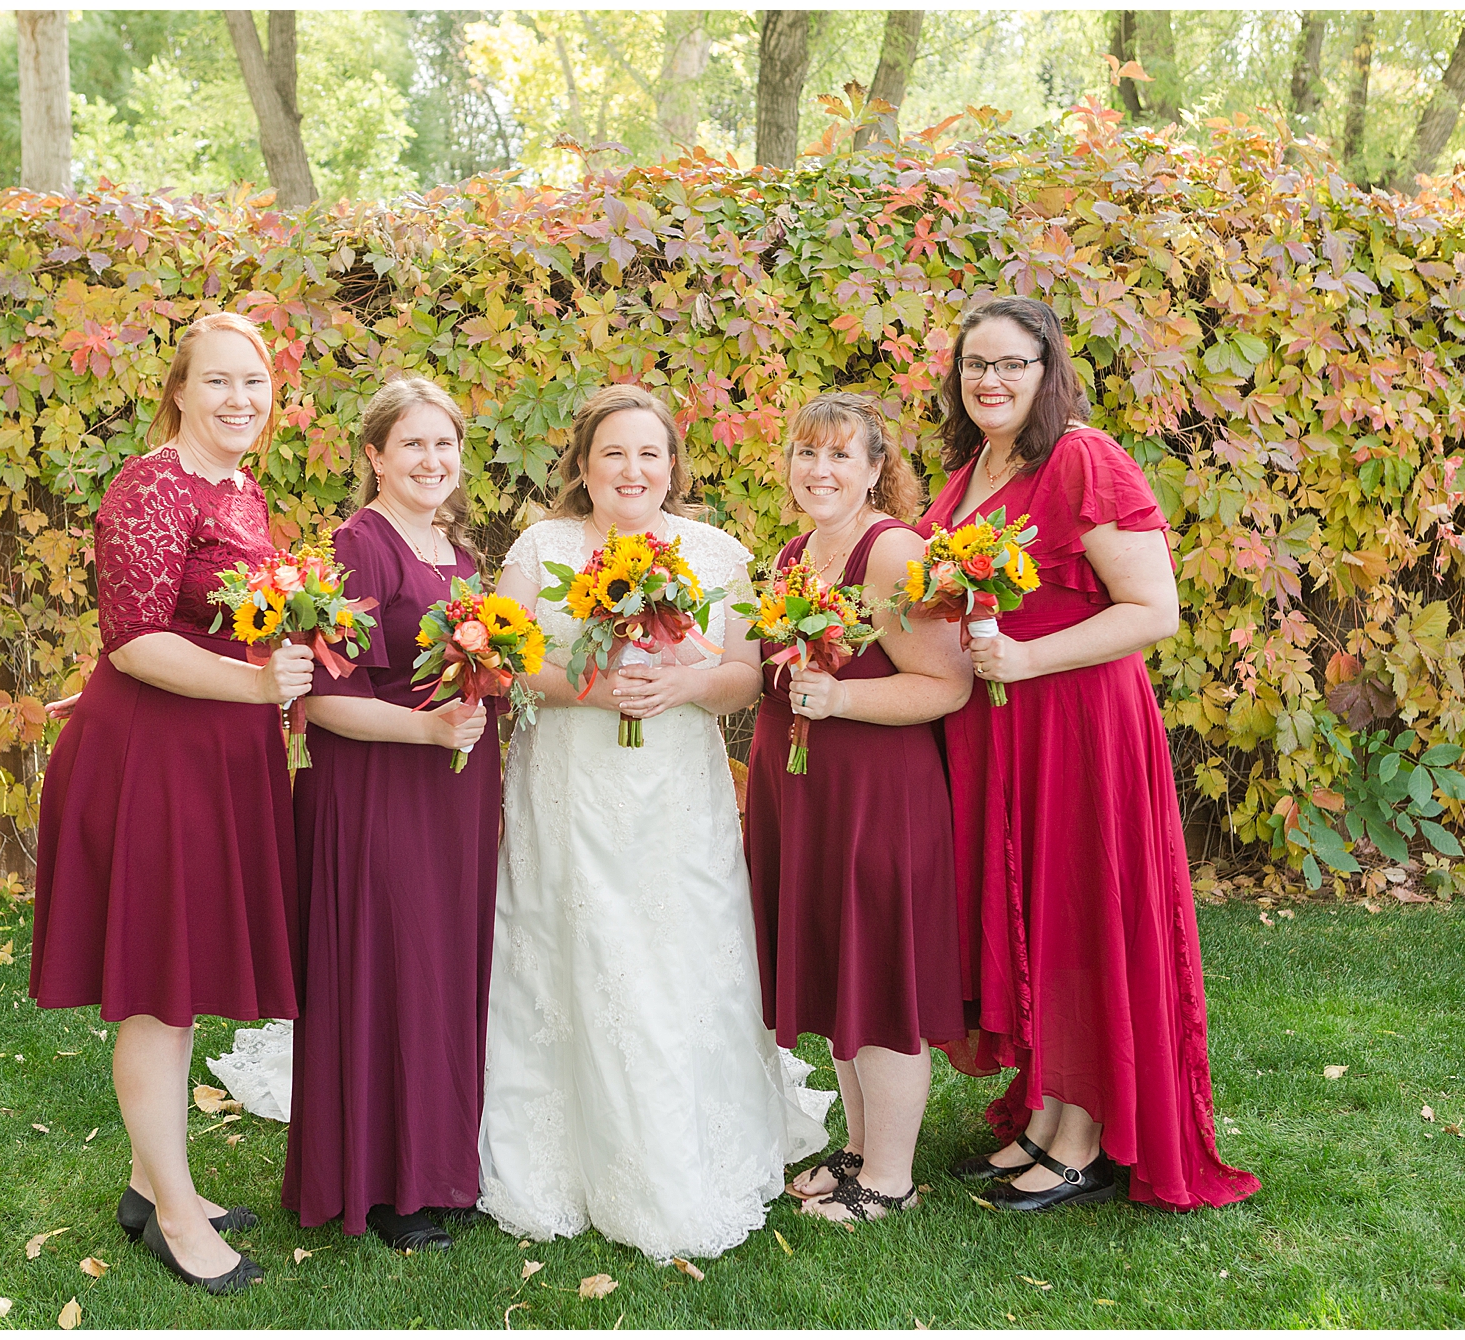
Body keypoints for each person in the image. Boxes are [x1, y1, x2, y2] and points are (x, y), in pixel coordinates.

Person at [922, 295, 1260, 1212]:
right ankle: (1043, 1114)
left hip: (1077, 721)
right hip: (997, 728)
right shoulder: (971, 471)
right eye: (974, 365)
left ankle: (1087, 1138)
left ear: (1047, 371)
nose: (989, 381)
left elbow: (1154, 609)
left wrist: (1027, 657)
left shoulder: (1082, 457)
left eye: (1010, 365)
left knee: (1077, 911)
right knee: (1032, 908)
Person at [478, 383, 827, 1264]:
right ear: (583, 467)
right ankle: (555, 1154)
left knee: (677, 947)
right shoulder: (542, 545)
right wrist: (589, 688)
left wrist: (680, 686)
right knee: (567, 941)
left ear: (672, 465)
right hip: (567, 778)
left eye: (649, 454)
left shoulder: (715, 554)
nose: (632, 470)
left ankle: (684, 1145)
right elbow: (503, 651)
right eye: (613, 455)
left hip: (674, 786)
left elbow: (744, 673)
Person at [29, 312, 314, 1293]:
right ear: (180, 390)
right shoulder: (150, 484)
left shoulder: (238, 488)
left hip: (215, 757)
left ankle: (152, 1184)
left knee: (179, 973)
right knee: (157, 985)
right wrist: (259, 689)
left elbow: (220, 619)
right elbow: (135, 640)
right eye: (220, 381)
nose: (241, 399)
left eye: (256, 383)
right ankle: (178, 1218)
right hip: (151, 762)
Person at [742, 393, 974, 1225]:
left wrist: (839, 702)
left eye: (841, 456)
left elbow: (946, 685)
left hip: (878, 797)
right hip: (806, 796)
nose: (820, 471)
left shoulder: (891, 552)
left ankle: (892, 1176)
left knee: (878, 980)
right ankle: (858, 1148)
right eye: (807, 454)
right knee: (844, 973)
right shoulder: (792, 553)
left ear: (878, 469)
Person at [280, 376, 497, 1252]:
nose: (432, 460)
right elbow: (324, 703)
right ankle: (382, 1186)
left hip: (453, 790)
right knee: (387, 970)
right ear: (373, 456)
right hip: (374, 792)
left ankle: (440, 1167)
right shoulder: (356, 547)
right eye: (412, 444)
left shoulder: (461, 553)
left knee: (442, 971)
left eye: (443, 444)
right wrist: (428, 727)